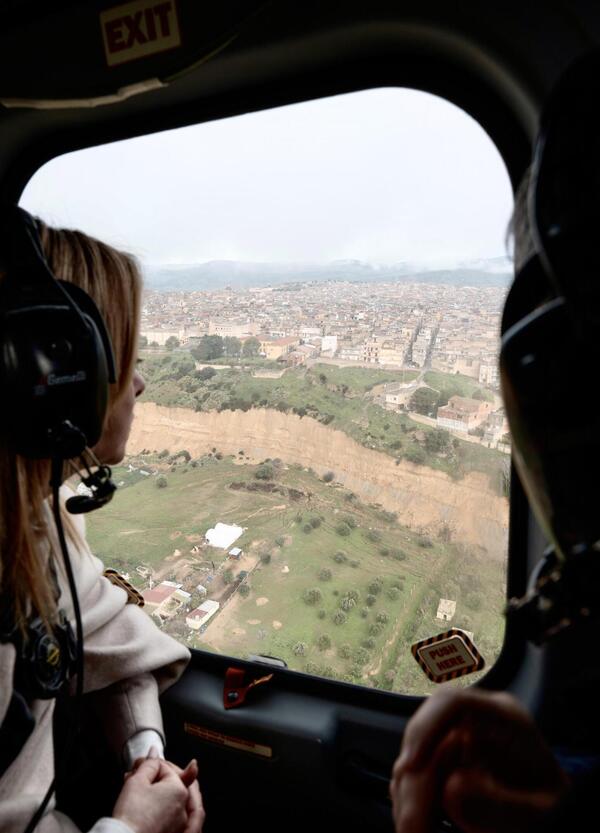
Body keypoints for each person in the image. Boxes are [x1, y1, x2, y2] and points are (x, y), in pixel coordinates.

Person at [0, 219, 205, 833]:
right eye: (125, 357)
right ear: (59, 378)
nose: (139, 382)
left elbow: (111, 640)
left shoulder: (40, 525)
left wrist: (147, 757)